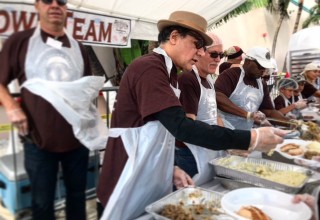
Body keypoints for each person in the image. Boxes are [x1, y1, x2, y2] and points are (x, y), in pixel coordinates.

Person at [96, 11, 287, 220]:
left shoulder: (171, 76)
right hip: (126, 176)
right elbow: (182, 126)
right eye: (197, 44)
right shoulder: (148, 67)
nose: (201, 53)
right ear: (174, 37)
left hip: (148, 174)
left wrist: (171, 167)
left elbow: (159, 130)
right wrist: (250, 139)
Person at [0, 0, 107, 219]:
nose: (55, 5)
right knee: (42, 203)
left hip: (77, 140)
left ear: (66, 8)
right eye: (48, 0)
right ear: (37, 5)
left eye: (61, 1)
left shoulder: (78, 47)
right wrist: (11, 106)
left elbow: (85, 89)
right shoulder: (20, 42)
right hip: (38, 143)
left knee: (77, 198)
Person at [175, 32, 226, 185]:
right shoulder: (188, 79)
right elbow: (189, 125)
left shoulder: (209, 80)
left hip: (208, 147)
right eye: (213, 54)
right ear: (201, 52)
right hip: (190, 152)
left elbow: (215, 116)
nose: (218, 59)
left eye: (221, 55)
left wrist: (227, 141)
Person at [215, 46, 288, 130]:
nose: (262, 70)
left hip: (246, 134)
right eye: (260, 67)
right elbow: (218, 97)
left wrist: (290, 123)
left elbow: (269, 111)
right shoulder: (231, 75)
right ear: (249, 61)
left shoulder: (261, 84)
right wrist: (247, 114)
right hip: (225, 131)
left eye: (264, 68)